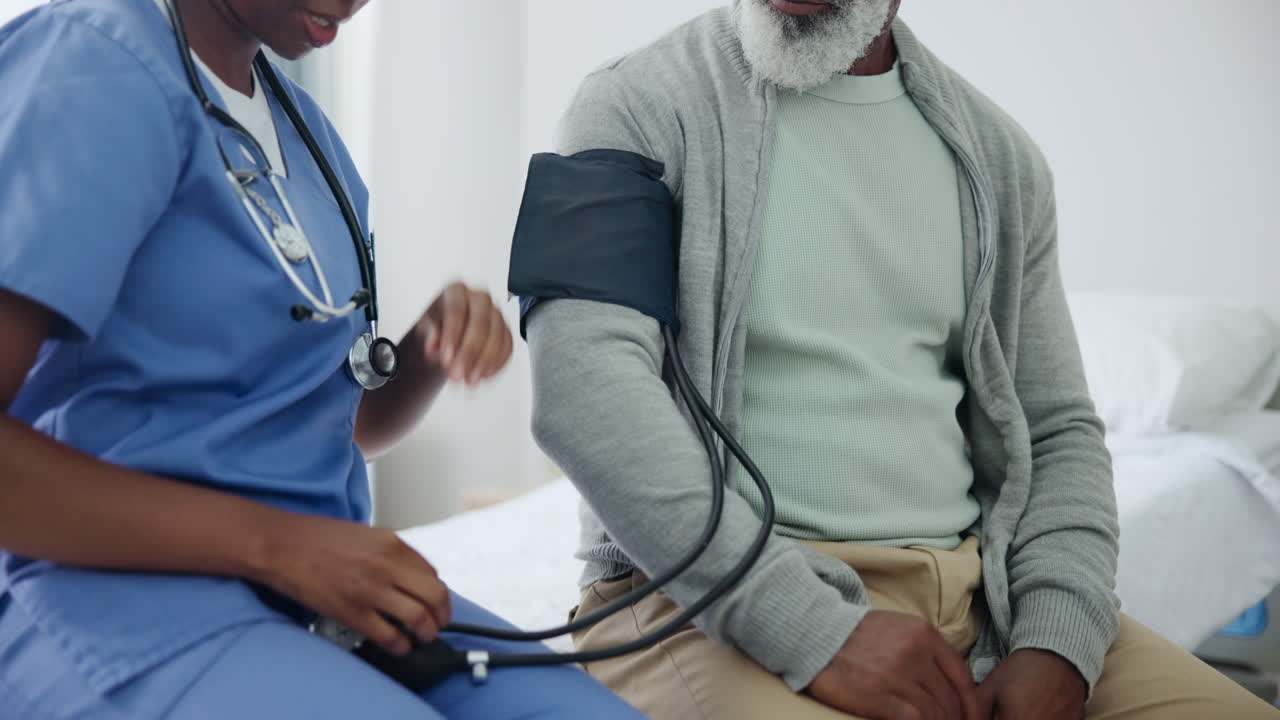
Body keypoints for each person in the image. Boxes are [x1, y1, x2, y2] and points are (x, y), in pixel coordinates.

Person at [523, 1, 1280, 718]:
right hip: (695, 604)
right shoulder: (628, 105)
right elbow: (586, 393)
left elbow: (1054, 432)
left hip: (977, 604)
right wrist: (814, 631)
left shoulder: (1003, 160)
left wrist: (1057, 641)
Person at [0, 0, 642, 717]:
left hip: (301, 591)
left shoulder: (302, 133)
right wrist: (282, 548)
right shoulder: (90, 68)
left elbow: (330, 429)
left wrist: (425, 352)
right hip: (109, 596)